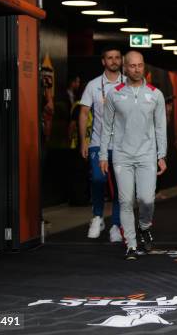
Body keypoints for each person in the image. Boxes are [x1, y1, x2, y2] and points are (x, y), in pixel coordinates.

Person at [99, 51, 167, 260]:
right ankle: (131, 244)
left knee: (146, 199)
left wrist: (161, 154)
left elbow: (160, 127)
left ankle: (144, 226)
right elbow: (106, 126)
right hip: (122, 155)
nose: (137, 69)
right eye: (132, 66)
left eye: (140, 65)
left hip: (147, 155)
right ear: (125, 68)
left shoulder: (156, 94)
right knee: (126, 200)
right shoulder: (114, 94)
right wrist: (103, 154)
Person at [79, 45, 123, 242]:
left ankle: (116, 224)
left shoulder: (129, 83)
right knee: (98, 180)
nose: (113, 61)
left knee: (122, 187)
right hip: (98, 143)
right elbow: (83, 113)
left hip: (123, 145)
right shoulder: (93, 85)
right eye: (109, 58)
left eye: (117, 57)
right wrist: (84, 142)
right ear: (103, 61)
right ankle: (97, 216)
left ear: (121, 60)